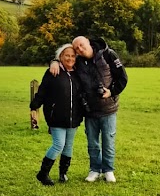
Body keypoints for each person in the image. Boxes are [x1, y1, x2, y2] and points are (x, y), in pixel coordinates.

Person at [50, 35, 128, 183]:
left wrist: (111, 91)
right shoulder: (77, 61)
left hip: (108, 108)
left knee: (108, 141)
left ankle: (108, 170)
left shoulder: (108, 54)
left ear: (88, 42)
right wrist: (54, 61)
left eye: (81, 45)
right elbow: (65, 61)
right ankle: (95, 170)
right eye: (77, 48)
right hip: (89, 110)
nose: (79, 49)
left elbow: (122, 78)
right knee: (92, 143)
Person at [30, 43, 84, 186]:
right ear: (60, 57)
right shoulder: (53, 72)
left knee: (69, 146)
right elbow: (42, 91)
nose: (70, 58)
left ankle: (63, 173)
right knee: (58, 144)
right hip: (56, 116)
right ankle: (43, 173)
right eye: (67, 55)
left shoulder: (78, 72)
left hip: (74, 117)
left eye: (73, 56)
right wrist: (34, 106)